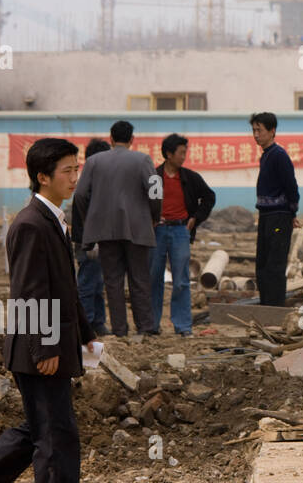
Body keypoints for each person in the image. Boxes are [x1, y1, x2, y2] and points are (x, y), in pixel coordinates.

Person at [0, 139, 98, 483]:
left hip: (52, 343)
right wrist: (44, 346)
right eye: (66, 171)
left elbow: (65, 288)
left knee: (42, 427)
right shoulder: (31, 224)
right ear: (42, 177)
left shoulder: (53, 221)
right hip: (40, 351)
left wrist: (86, 334)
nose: (74, 178)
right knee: (55, 437)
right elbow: (30, 292)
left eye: (76, 169)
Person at [72, 120, 161, 338]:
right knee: (140, 280)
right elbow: (156, 192)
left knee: (113, 282)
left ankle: (120, 330)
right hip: (137, 229)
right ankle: (145, 328)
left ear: (110, 139)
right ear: (132, 139)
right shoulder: (143, 160)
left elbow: (80, 194)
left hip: (105, 231)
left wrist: (90, 219)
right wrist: (154, 217)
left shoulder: (93, 162)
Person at [149, 133, 216, 337]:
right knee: (154, 277)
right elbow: (143, 202)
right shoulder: (154, 177)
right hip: (157, 231)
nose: (184, 156)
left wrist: (195, 218)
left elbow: (209, 197)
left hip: (180, 231)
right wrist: (150, 220)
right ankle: (152, 325)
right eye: (181, 152)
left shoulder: (190, 178)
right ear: (169, 154)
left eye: (185, 152)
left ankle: (183, 326)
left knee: (181, 280)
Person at [251, 112, 301, 306]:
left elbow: (291, 186)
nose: (256, 135)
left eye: (260, 130)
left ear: (272, 131)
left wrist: (292, 212)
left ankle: (275, 309)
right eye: (254, 130)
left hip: (279, 217)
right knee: (262, 265)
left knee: (275, 265)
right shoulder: (266, 155)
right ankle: (266, 306)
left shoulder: (279, 155)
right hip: (266, 216)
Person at [71, 138, 110, 336]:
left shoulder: (99, 181)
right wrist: (91, 239)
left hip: (97, 239)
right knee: (88, 284)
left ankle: (97, 322)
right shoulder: (88, 183)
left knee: (98, 283)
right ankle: (85, 325)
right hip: (88, 242)